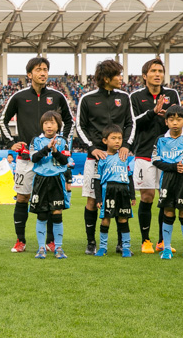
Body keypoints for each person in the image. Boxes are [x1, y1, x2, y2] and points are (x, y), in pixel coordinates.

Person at [0, 57, 73, 253]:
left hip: (51, 160)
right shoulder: (19, 97)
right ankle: (20, 240)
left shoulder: (57, 96)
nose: (43, 73)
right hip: (26, 159)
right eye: (39, 70)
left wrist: (63, 141)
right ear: (29, 74)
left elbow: (69, 121)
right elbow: (2, 120)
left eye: (46, 69)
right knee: (22, 198)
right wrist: (10, 143)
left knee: (51, 201)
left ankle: (50, 242)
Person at [77, 60, 135, 255]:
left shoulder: (124, 97)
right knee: (92, 201)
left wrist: (125, 145)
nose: (121, 78)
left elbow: (130, 124)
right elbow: (80, 127)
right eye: (118, 75)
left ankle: (120, 243)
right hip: (95, 159)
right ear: (106, 78)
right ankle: (91, 242)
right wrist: (92, 148)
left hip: (120, 159)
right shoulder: (87, 99)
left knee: (121, 198)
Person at [130, 58, 181, 254]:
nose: (158, 74)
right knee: (148, 196)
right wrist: (153, 112)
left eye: (160, 70)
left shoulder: (172, 94)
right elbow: (133, 123)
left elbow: (179, 118)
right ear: (145, 76)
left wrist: (170, 116)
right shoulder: (135, 97)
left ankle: (162, 241)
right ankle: (145, 240)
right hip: (144, 153)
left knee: (165, 198)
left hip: (168, 153)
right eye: (153, 71)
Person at [152, 105, 183, 260]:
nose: (175, 123)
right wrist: (173, 167)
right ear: (166, 122)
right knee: (168, 211)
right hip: (167, 178)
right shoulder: (161, 140)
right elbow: (155, 160)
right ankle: (166, 248)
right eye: (171, 119)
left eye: (178, 119)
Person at [30, 111, 69, 259]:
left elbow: (65, 161)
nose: (49, 126)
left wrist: (54, 151)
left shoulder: (63, 141)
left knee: (57, 213)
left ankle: (58, 247)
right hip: (40, 180)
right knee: (42, 214)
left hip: (56, 180)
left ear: (58, 125)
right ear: (42, 125)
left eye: (52, 123)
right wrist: (46, 148)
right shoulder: (36, 140)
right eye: (46, 123)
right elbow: (34, 158)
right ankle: (41, 248)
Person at [93, 125, 136, 257]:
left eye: (120, 138)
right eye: (113, 138)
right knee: (105, 219)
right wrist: (99, 198)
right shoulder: (101, 158)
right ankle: (103, 247)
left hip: (123, 190)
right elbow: (96, 180)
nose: (117, 141)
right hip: (108, 191)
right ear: (105, 141)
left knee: (123, 219)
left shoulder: (124, 157)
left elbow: (130, 177)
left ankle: (126, 247)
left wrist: (132, 195)